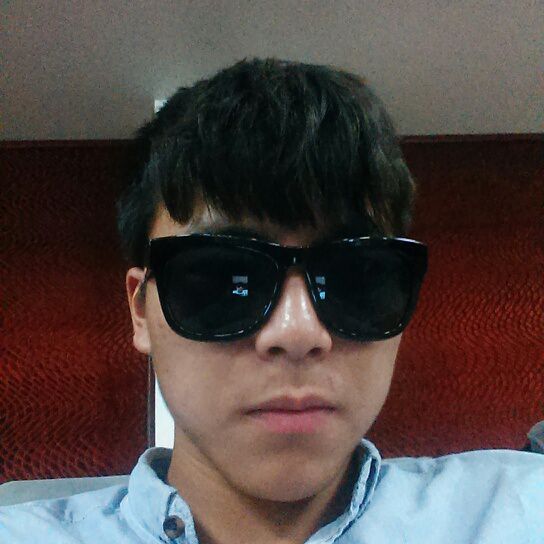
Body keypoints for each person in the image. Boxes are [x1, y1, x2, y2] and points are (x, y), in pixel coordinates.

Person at [0, 56, 542, 544]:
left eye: (354, 276)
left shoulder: (518, 510)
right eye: (224, 276)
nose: (297, 332)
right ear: (141, 311)